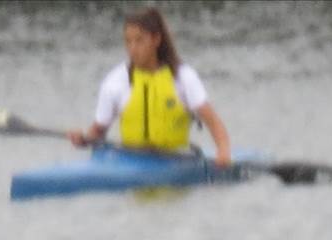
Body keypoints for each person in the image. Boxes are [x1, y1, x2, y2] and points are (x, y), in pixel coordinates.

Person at [70, 6, 232, 167]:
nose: (132, 49)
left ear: (156, 39)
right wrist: (83, 140)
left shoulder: (183, 77)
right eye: (128, 41)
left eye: (139, 40)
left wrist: (223, 151)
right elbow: (98, 131)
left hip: (176, 160)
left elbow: (213, 121)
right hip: (131, 161)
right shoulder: (115, 81)